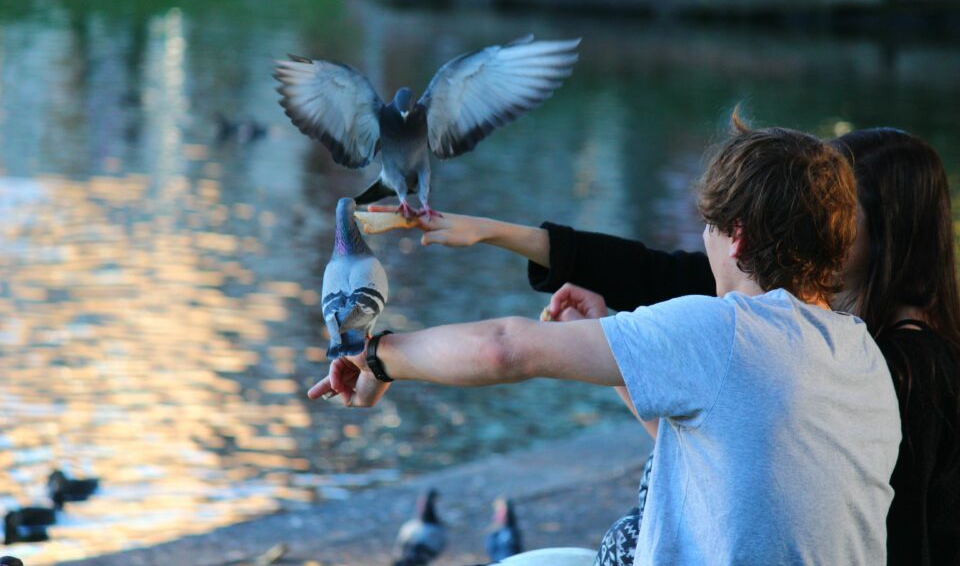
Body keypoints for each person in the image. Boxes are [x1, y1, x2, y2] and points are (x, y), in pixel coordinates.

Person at [311, 118, 902, 564]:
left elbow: (503, 348)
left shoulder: (723, 330)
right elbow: (714, 457)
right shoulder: (863, 354)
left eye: (711, 228)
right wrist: (606, 344)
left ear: (738, 238)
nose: (705, 242)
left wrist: (380, 357)